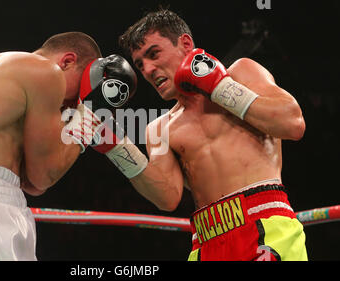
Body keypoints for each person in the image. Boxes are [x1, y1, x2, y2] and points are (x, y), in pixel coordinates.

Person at [0, 31, 137, 260]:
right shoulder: (46, 72)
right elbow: (45, 175)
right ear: (67, 61)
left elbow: (34, 185)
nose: (74, 104)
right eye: (79, 92)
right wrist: (91, 112)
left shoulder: (3, 73)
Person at [113, 9, 308, 261]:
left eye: (154, 54)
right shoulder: (159, 129)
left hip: (265, 226)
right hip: (206, 243)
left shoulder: (241, 74)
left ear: (185, 44)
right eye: (140, 64)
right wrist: (116, 147)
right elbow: (167, 197)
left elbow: (292, 123)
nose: (148, 69)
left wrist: (219, 87)